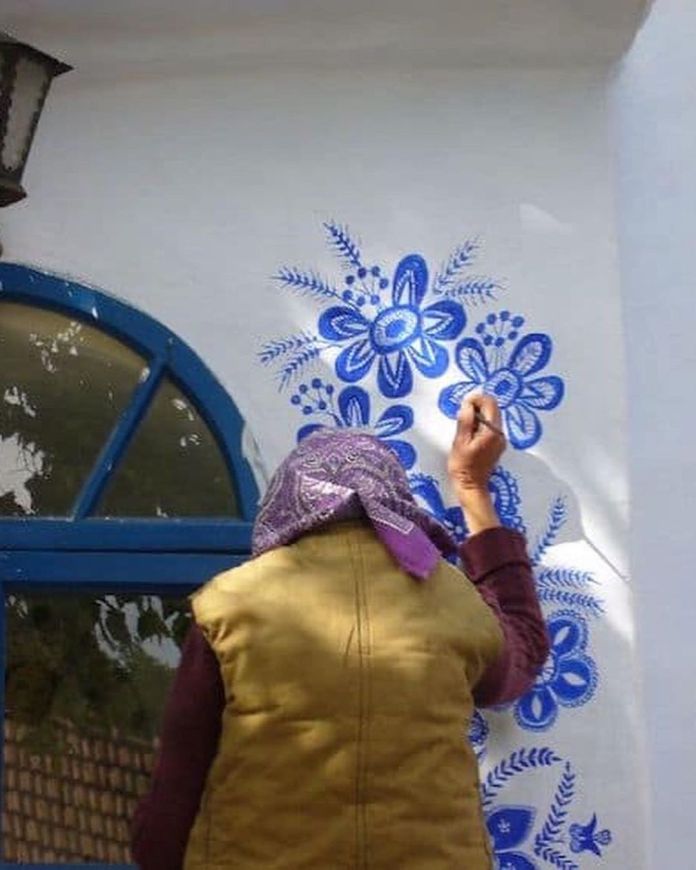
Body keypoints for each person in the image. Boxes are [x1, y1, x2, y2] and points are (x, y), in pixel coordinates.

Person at [131, 393, 549, 870]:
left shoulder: (229, 605)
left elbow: (169, 812)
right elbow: (521, 658)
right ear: (393, 499)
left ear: (287, 498)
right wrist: (471, 486)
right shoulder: (452, 600)